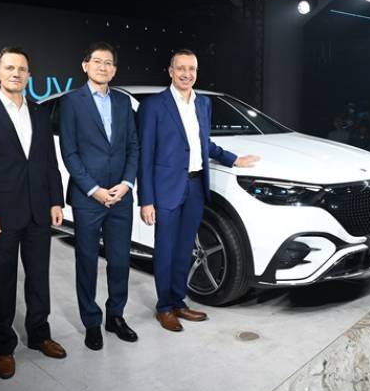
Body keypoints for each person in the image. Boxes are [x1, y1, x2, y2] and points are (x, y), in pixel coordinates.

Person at [137, 49, 259, 332]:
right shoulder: (154, 106)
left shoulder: (203, 103)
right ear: (170, 71)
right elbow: (145, 155)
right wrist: (146, 200)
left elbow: (205, 144)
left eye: (191, 68)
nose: (186, 74)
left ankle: (178, 301)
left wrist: (234, 159)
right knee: (165, 250)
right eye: (181, 68)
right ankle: (164, 308)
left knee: (185, 250)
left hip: (195, 186)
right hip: (166, 189)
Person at [0, 47, 66, 379]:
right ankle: (4, 347)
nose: (16, 73)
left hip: (39, 211)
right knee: (2, 281)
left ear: (29, 75)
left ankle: (39, 335)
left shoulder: (39, 113)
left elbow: (49, 162)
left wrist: (56, 201)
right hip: (2, 214)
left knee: (39, 278)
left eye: (22, 69)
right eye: (9, 68)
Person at [59, 42, 139, 350]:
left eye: (108, 63)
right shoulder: (71, 102)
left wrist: (127, 183)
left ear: (114, 70)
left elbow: (133, 146)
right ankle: (91, 322)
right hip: (88, 198)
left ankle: (115, 316)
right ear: (85, 65)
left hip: (120, 197)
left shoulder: (123, 101)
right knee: (87, 262)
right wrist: (94, 190)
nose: (103, 67)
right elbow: (69, 152)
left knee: (119, 262)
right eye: (97, 61)